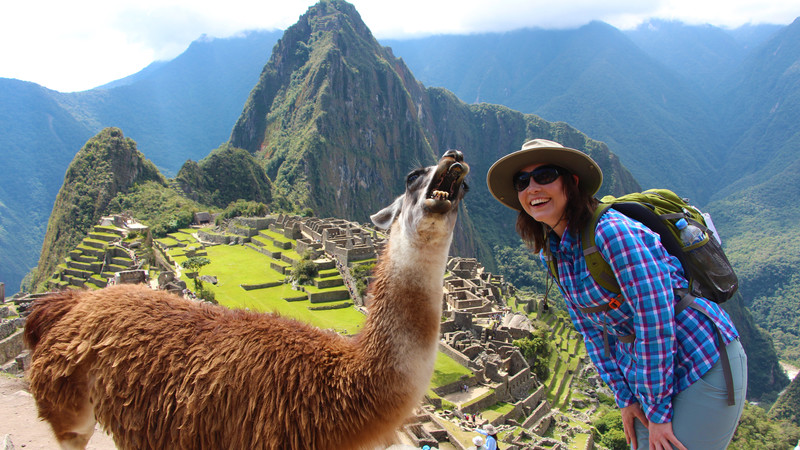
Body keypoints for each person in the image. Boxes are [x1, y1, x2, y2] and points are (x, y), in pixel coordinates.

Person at [486, 139, 748, 450]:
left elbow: (655, 323)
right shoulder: (554, 254)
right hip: (649, 370)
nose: (533, 188)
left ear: (572, 182)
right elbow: (592, 331)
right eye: (522, 181)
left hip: (701, 358)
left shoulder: (612, 233)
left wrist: (658, 411)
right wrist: (625, 397)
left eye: (545, 176)